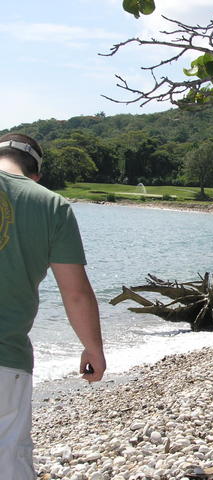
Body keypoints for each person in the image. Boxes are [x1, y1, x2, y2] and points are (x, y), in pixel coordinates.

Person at [0, 133, 106, 479]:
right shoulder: (51, 205)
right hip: (6, 361)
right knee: (8, 460)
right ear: (36, 175)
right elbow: (75, 293)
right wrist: (93, 348)